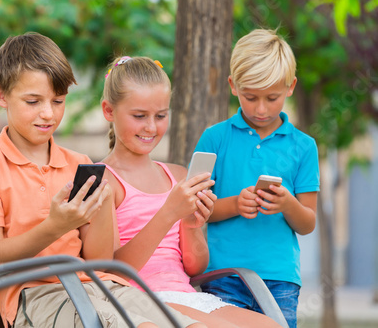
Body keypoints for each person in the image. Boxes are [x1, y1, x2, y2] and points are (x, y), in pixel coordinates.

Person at [0, 32, 205, 328]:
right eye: (33, 101)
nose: (48, 113)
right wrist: (55, 227)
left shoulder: (80, 165)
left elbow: (100, 259)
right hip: (37, 294)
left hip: (100, 286)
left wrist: (98, 213)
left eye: (58, 100)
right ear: (1, 95)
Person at [100, 55, 282, 328]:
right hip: (137, 300)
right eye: (139, 116)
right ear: (109, 111)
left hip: (185, 295)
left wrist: (190, 222)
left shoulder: (178, 176)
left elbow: (195, 267)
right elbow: (113, 273)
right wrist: (168, 212)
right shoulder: (105, 181)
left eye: (161, 116)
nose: (151, 127)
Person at [193, 29, 320, 328]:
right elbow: (195, 211)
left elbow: (308, 223)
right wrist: (236, 204)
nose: (261, 109)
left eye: (272, 97)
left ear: (290, 88)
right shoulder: (214, 139)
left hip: (280, 280)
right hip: (223, 276)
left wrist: (287, 204)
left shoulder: (304, 146)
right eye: (251, 97)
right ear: (233, 86)